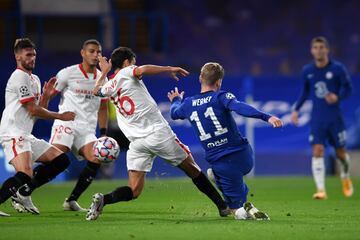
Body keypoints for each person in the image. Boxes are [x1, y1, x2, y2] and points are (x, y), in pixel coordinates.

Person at [86, 47, 230, 221]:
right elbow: (143, 69)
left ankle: (104, 199)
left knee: (134, 190)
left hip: (137, 143)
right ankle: (223, 206)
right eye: (133, 61)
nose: (135, 65)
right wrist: (169, 69)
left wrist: (104, 73)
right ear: (126, 63)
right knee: (194, 170)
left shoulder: (109, 85)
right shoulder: (127, 72)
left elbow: (95, 91)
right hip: (158, 135)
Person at [167, 62, 282, 220]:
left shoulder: (188, 104)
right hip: (244, 156)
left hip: (222, 163)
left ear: (200, 78)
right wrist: (267, 117)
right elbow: (240, 107)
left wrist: (176, 99)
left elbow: (174, 113)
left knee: (235, 209)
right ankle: (229, 188)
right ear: (219, 82)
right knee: (236, 189)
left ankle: (248, 209)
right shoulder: (222, 97)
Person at [0, 38, 75, 216]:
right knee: (25, 173)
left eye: (34, 54)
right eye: (27, 55)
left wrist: (47, 96)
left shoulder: (34, 78)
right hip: (13, 132)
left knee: (61, 160)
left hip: (25, 134)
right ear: (17, 56)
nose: (32, 58)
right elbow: (33, 108)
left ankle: (24, 193)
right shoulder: (19, 77)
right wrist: (60, 116)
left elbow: (37, 111)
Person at [47, 39, 108, 211]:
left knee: (96, 158)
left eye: (98, 52)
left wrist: (103, 132)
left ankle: (71, 201)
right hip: (66, 122)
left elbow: (103, 108)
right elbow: (49, 96)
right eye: (91, 51)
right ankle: (26, 190)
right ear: (83, 53)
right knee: (56, 157)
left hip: (86, 128)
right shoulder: (68, 73)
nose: (95, 55)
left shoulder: (102, 79)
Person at [291, 36, 353, 199]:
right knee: (317, 150)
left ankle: (345, 177)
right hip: (317, 118)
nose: (318, 50)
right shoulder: (307, 71)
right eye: (315, 48)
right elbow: (305, 92)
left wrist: (337, 96)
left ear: (327, 49)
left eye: (321, 47)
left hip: (335, 118)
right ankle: (321, 190)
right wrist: (296, 110)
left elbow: (348, 89)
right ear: (312, 51)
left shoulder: (338, 69)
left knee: (340, 152)